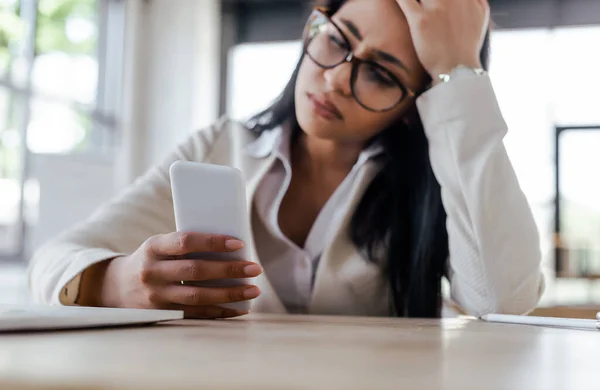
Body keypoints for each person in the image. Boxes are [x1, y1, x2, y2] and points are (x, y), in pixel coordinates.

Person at [28, 0, 544, 319]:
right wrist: (116, 281)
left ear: (414, 109)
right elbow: (53, 259)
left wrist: (460, 72)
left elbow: (504, 299)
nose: (338, 78)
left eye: (382, 75)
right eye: (338, 39)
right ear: (313, 27)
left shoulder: (436, 180)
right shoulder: (218, 146)